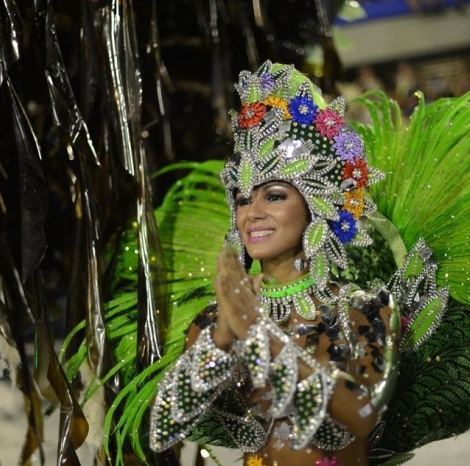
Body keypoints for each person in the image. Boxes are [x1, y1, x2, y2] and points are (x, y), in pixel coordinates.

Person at [148, 61, 400, 465]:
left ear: (315, 205)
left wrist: (262, 335)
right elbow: (164, 429)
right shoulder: (216, 321)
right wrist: (223, 339)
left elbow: (363, 416)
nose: (254, 213)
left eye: (275, 196)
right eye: (245, 199)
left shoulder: (361, 308)